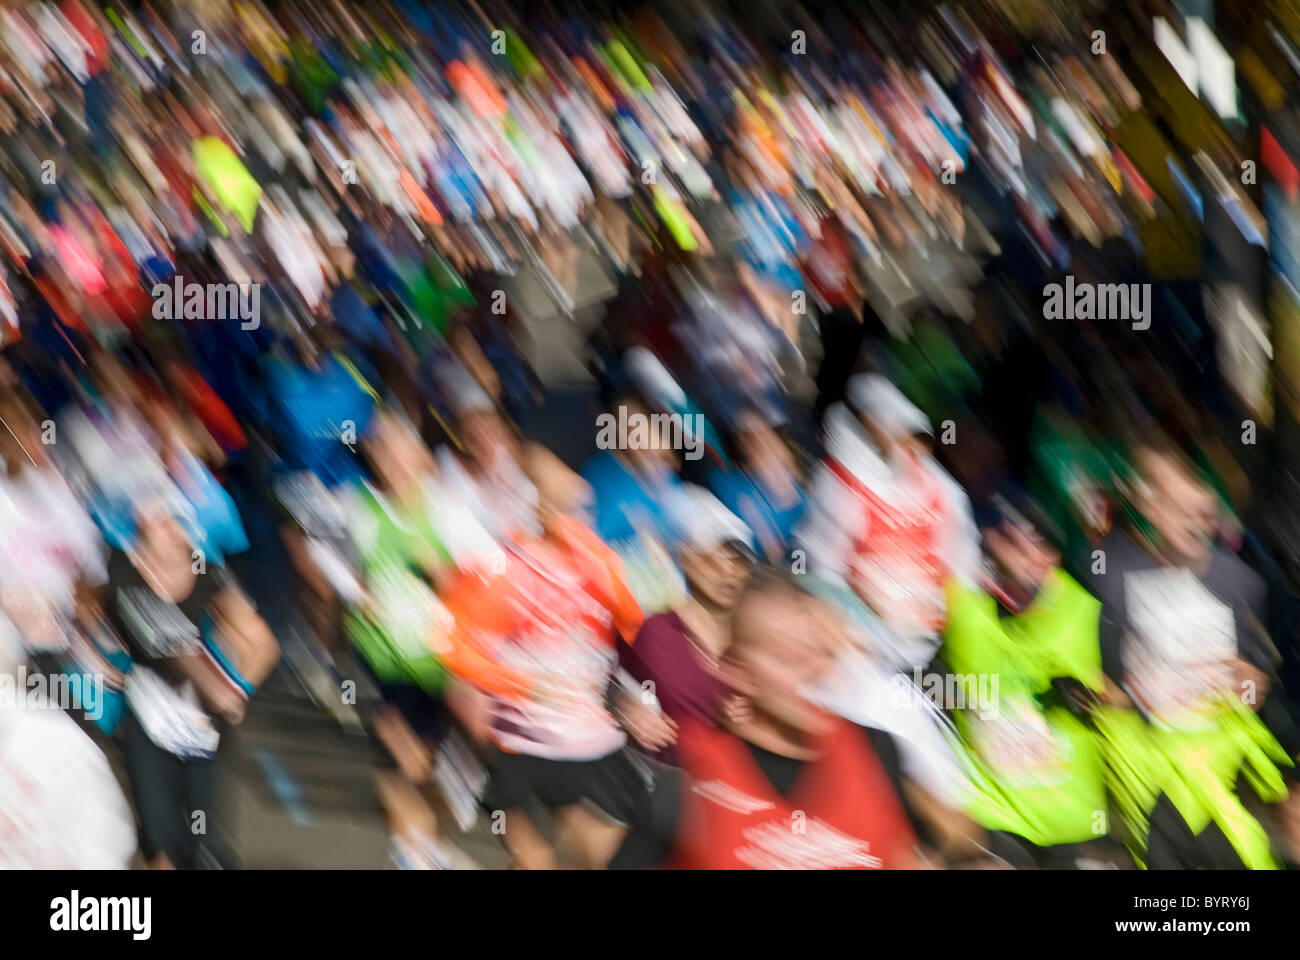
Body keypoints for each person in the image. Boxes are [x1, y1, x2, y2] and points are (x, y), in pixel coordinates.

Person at [611, 571, 951, 869]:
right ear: (739, 672)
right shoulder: (691, 776)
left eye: (823, 654)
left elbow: (923, 849)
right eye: (791, 660)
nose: (817, 675)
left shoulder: (875, 749)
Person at [1085, 439, 1291, 869]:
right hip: (1154, 782)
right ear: (1151, 507)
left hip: (1222, 779)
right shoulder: (1113, 577)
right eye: (1180, 510)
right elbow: (1107, 680)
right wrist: (1117, 696)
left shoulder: (1240, 582)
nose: (1196, 524)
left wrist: (1250, 684)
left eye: (1202, 513)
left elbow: (1260, 684)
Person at [441, 446, 648, 869]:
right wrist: (525, 685)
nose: (582, 514)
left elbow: (632, 625)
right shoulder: (502, 571)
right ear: (535, 502)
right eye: (567, 503)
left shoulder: (596, 564)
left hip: (591, 745)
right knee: (535, 861)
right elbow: (455, 649)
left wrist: (602, 564)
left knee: (608, 860)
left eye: (582, 504)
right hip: (521, 746)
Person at [941, 491, 1123, 868]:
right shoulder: (959, 605)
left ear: (1054, 556)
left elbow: (1130, 701)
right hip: (993, 815)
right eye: (1014, 542)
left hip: (1071, 823)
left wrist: (1098, 699)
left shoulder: (1089, 615)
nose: (1031, 558)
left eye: (1041, 547)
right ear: (990, 542)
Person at [103, 500, 279, 869]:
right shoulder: (122, 570)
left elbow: (262, 642)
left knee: (206, 849)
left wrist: (236, 690)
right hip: (148, 723)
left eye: (174, 523)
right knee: (161, 847)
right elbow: (172, 646)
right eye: (158, 522)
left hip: (203, 728)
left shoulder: (208, 573)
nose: (169, 530)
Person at [797, 372, 980, 671]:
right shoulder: (839, 482)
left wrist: (955, 626)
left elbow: (963, 567)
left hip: (932, 647)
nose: (910, 445)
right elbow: (821, 569)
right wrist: (862, 632)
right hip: (861, 649)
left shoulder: (944, 490)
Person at [616, 486, 757, 762]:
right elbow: (602, 680)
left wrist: (754, 719)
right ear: (686, 559)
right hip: (667, 786)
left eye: (738, 562)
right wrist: (625, 707)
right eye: (711, 560)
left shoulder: (757, 640)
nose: (727, 573)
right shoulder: (653, 633)